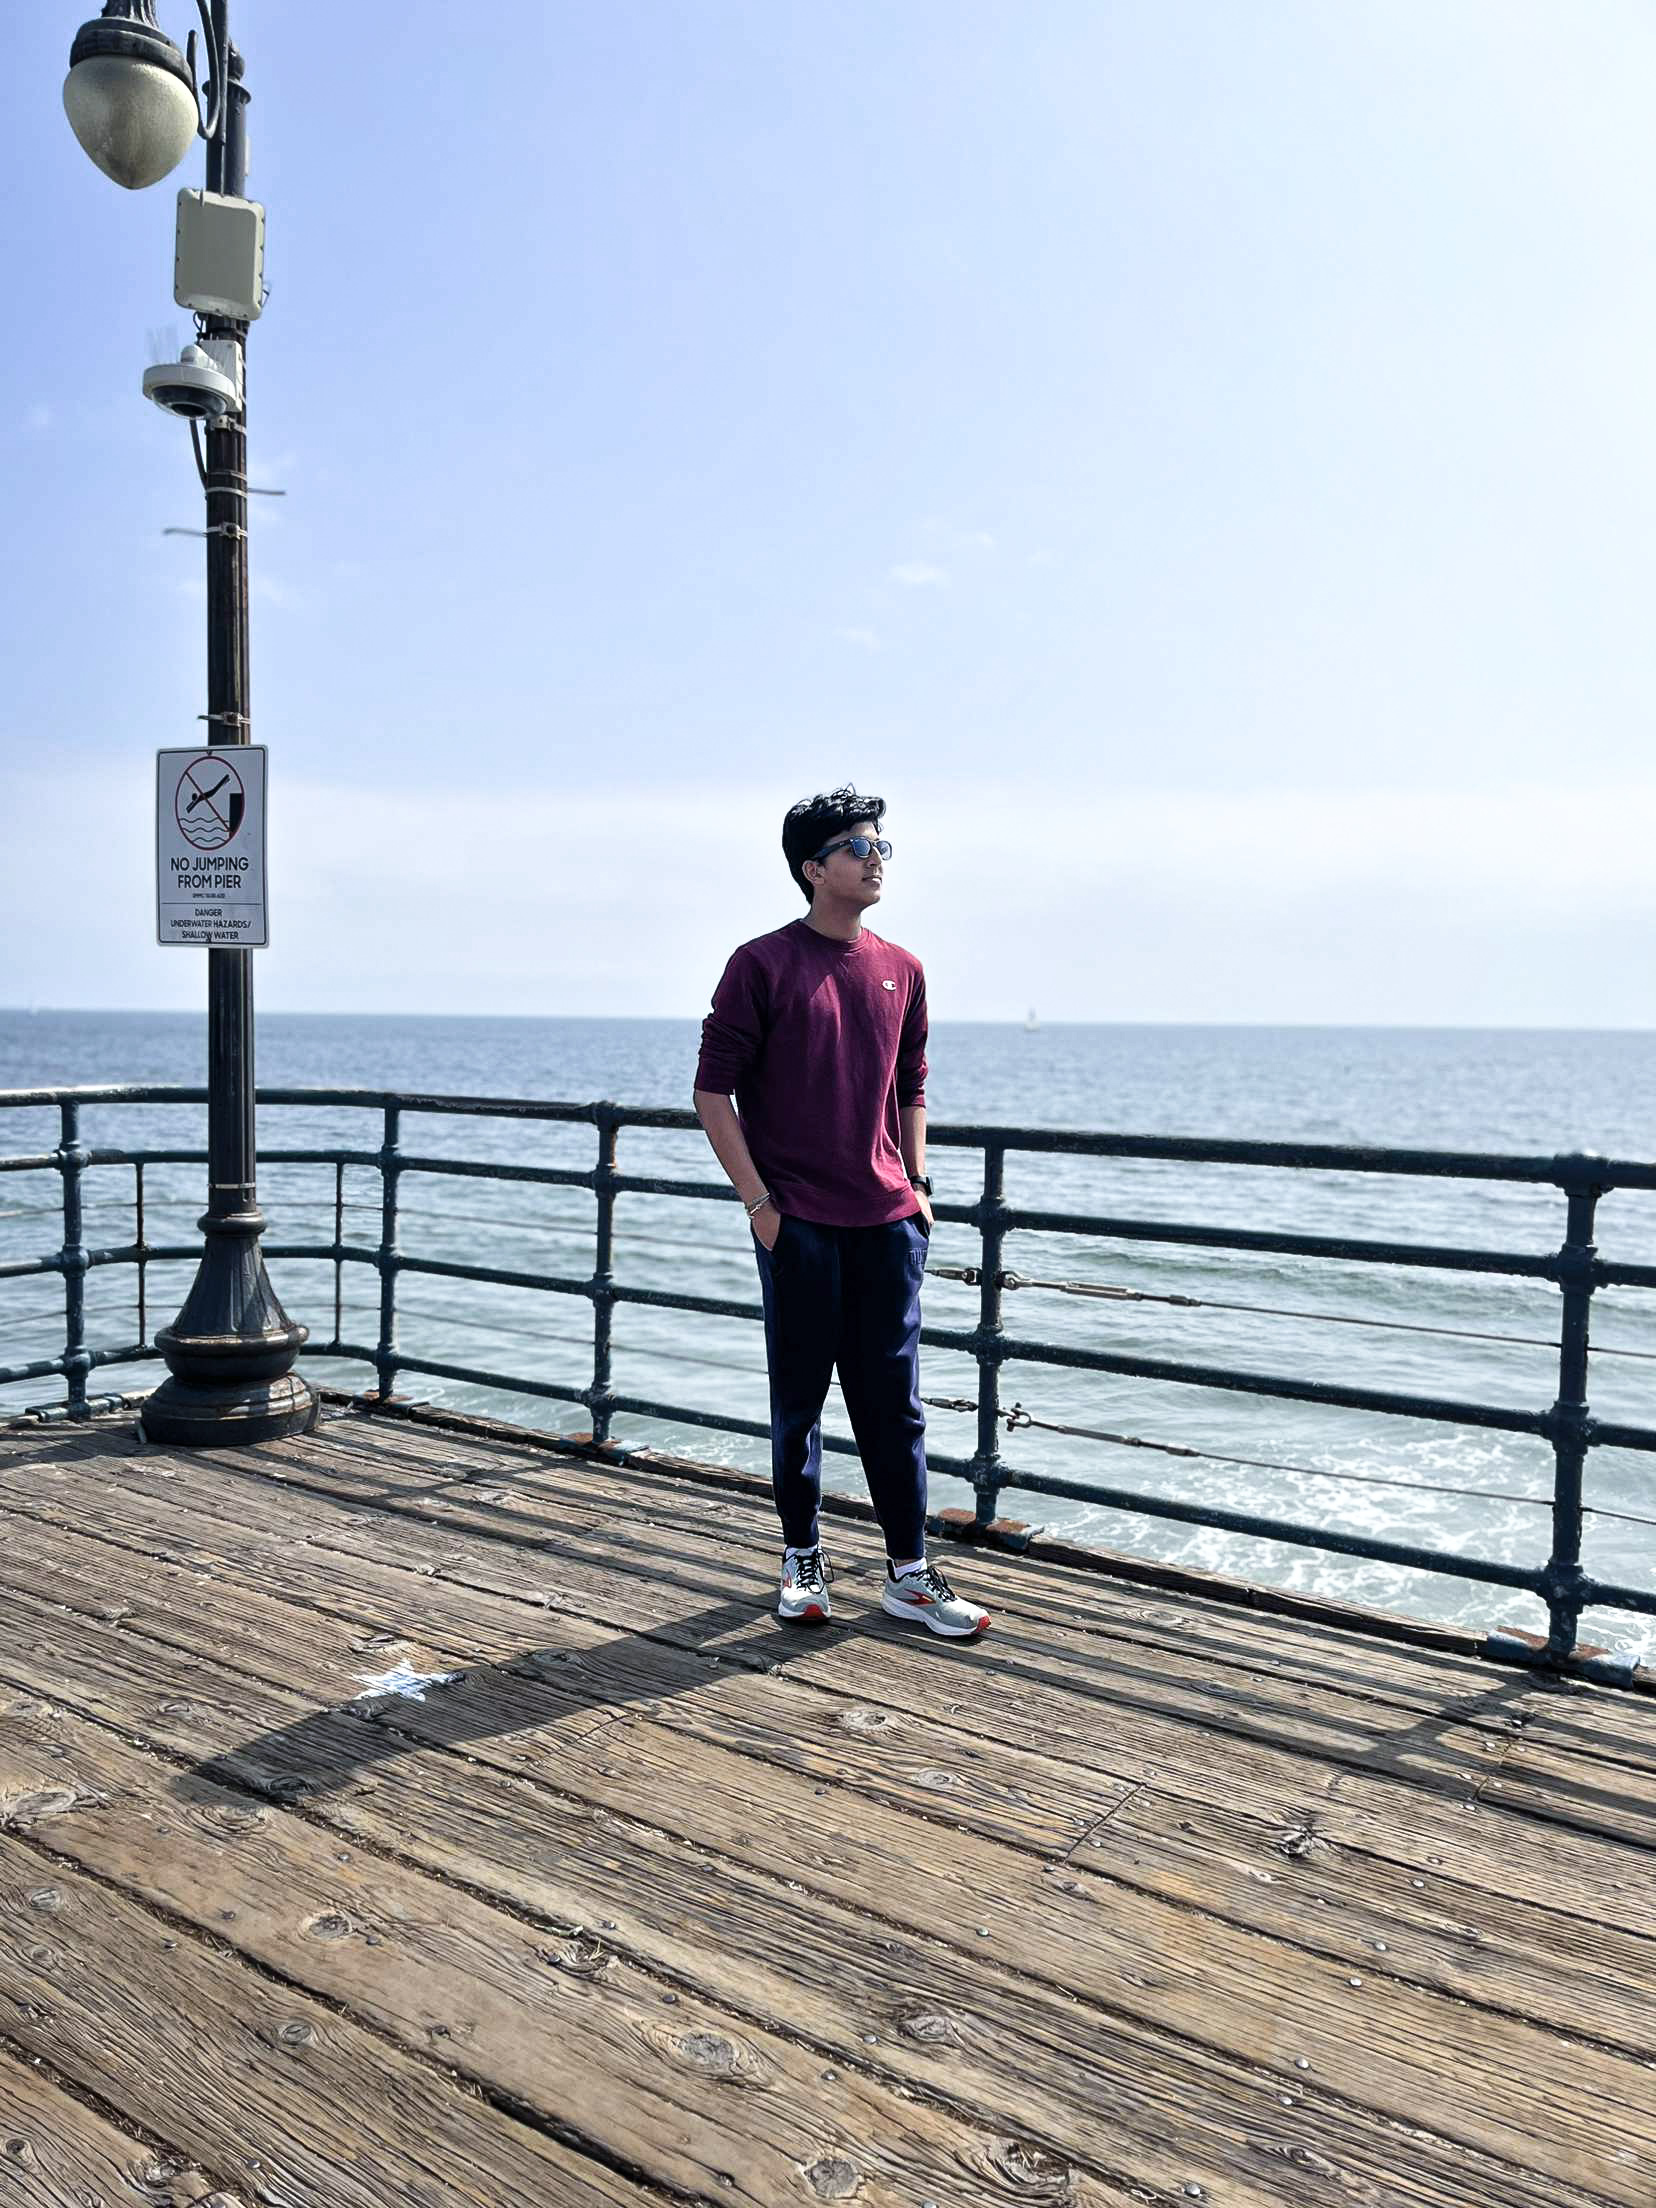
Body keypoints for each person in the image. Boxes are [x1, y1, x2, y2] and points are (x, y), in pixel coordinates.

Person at [692, 785, 990, 1639]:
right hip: (800, 1223)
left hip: (888, 1223)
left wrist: (919, 1185)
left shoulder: (905, 969)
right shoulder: (761, 964)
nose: (876, 858)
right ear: (813, 868)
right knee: (801, 1401)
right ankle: (801, 1559)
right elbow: (713, 1093)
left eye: (881, 845)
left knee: (894, 1405)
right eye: (859, 847)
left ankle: (909, 1572)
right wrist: (760, 1204)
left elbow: (911, 1086)